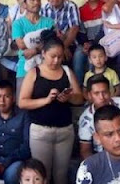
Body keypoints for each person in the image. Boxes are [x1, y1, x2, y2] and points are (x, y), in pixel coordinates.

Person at [18, 34, 84, 184]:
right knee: (42, 176)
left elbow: (80, 98)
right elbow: (22, 102)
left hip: (64, 131)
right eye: (52, 56)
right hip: (40, 131)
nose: (56, 61)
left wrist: (69, 98)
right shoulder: (34, 73)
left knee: (61, 177)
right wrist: (46, 100)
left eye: (60, 57)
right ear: (43, 54)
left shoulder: (67, 71)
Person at [40, 0, 85, 84]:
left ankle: (77, 90)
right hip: (52, 46)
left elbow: (74, 28)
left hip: (71, 45)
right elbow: (46, 33)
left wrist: (63, 47)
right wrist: (60, 48)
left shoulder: (71, 6)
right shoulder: (43, 10)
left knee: (78, 57)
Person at [12, 0, 55, 95]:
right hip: (24, 69)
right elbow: (21, 45)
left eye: (38, 0)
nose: (36, 2)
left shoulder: (49, 22)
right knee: (22, 104)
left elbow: (52, 44)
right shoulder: (18, 23)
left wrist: (34, 50)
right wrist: (42, 46)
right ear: (24, 4)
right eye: (32, 0)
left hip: (46, 68)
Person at [78, 74, 120, 159]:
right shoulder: (85, 119)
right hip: (102, 158)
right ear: (89, 95)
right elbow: (85, 150)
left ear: (110, 92)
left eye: (104, 92)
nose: (102, 97)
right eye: (96, 93)